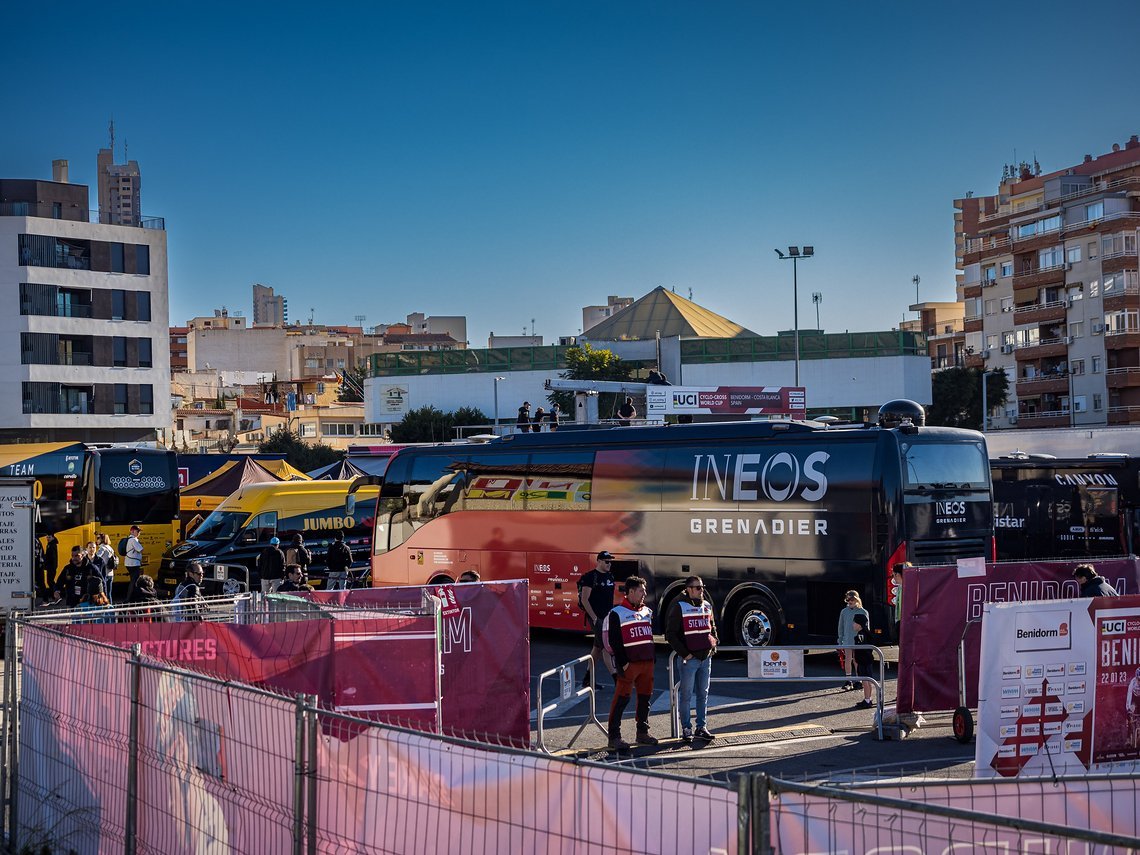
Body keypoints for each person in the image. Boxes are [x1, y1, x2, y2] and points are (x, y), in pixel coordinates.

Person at [605, 576, 658, 751]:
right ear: (631, 592)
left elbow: (649, 636)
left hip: (647, 664)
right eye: (641, 590)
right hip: (630, 665)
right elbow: (615, 641)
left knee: (645, 699)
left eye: (644, 590)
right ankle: (614, 737)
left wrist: (653, 659)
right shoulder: (617, 613)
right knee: (621, 700)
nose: (644, 594)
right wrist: (624, 664)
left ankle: (642, 732)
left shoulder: (647, 611)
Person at [666, 576, 719, 742]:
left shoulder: (707, 605)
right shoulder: (679, 606)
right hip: (689, 660)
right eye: (697, 587)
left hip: (705, 658)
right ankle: (686, 728)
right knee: (686, 695)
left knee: (703, 694)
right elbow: (670, 634)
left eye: (702, 587)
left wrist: (713, 646)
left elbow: (713, 627)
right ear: (688, 589)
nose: (701, 590)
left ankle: (701, 727)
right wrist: (685, 654)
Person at [578, 551, 617, 690]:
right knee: (606, 647)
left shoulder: (610, 576)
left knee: (597, 648)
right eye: (606, 561)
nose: (609, 564)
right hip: (597, 618)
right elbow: (584, 599)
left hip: (607, 617)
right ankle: (617, 679)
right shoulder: (590, 577)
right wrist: (594, 618)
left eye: (610, 561)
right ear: (599, 561)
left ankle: (587, 679)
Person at [837, 591, 870, 691]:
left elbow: (867, 628)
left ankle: (858, 680)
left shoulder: (863, 611)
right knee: (847, 659)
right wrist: (840, 639)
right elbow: (841, 627)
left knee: (857, 660)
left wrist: (866, 640)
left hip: (858, 640)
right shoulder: (844, 611)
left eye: (852, 600)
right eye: (848, 600)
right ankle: (848, 679)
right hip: (847, 639)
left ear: (857, 600)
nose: (850, 601)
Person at [851, 613, 875, 708]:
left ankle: (867, 700)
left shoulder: (861, 635)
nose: (853, 624)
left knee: (865, 680)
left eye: (854, 623)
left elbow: (862, 648)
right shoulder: (866, 633)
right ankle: (868, 698)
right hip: (867, 660)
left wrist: (857, 658)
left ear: (859, 624)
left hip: (863, 660)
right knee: (867, 680)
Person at [892, 562, 911, 642]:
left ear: (898, 574)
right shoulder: (900, 587)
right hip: (900, 622)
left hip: (908, 623)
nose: (893, 577)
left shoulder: (910, 587)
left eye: (894, 575)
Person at [96, 533, 118, 599]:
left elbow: (97, 558)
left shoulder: (102, 548)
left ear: (102, 539)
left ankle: (105, 607)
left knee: (103, 594)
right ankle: (110, 606)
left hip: (104, 572)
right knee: (109, 593)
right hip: (111, 573)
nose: (97, 540)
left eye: (98, 538)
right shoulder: (110, 548)